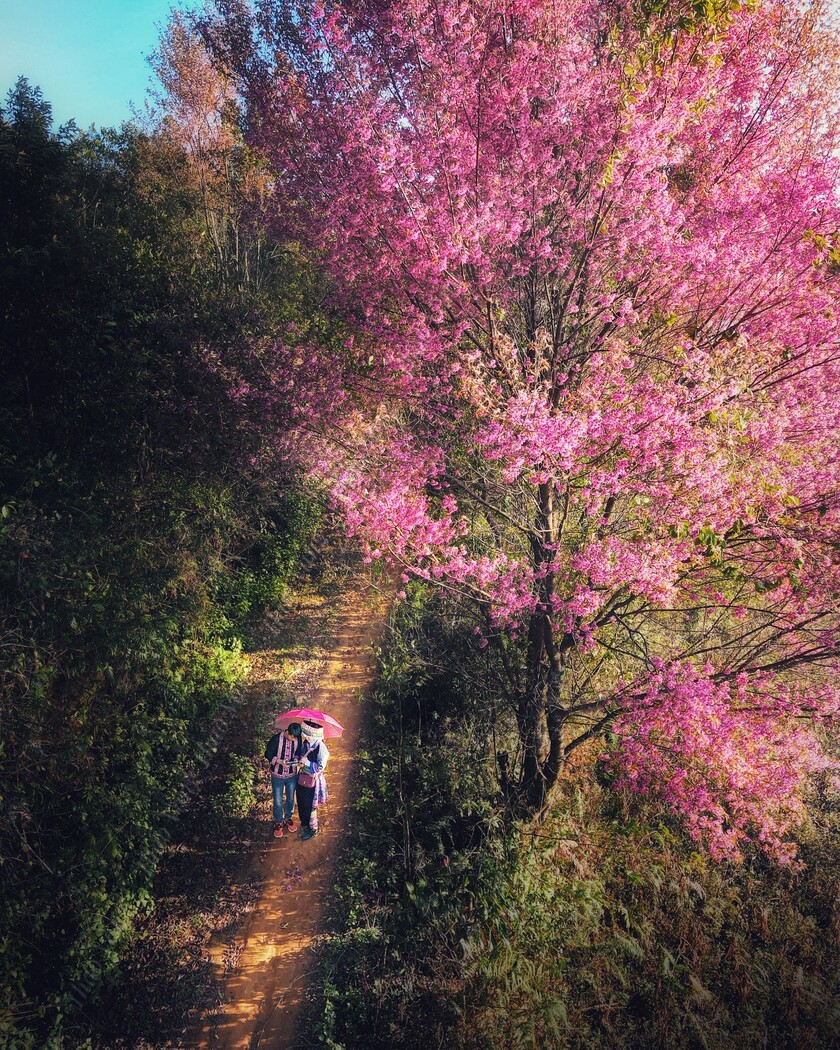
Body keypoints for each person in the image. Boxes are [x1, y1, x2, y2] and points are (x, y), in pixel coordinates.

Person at [264, 721, 302, 838]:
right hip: (277, 775)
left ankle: (288, 818)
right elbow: (267, 753)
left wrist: (296, 760)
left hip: (291, 775)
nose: (293, 739)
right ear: (288, 732)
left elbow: (299, 752)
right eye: (292, 736)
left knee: (290, 798)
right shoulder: (276, 739)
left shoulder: (298, 739)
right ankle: (278, 822)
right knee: (278, 800)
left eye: (295, 737)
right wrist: (279, 761)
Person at [296, 720, 329, 841]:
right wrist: (299, 760)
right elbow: (299, 754)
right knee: (301, 801)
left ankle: (313, 829)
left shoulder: (321, 748)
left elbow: (320, 767)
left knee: (311, 805)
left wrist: (308, 763)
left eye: (307, 735)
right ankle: (305, 824)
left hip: (313, 780)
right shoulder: (306, 743)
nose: (305, 737)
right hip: (302, 777)